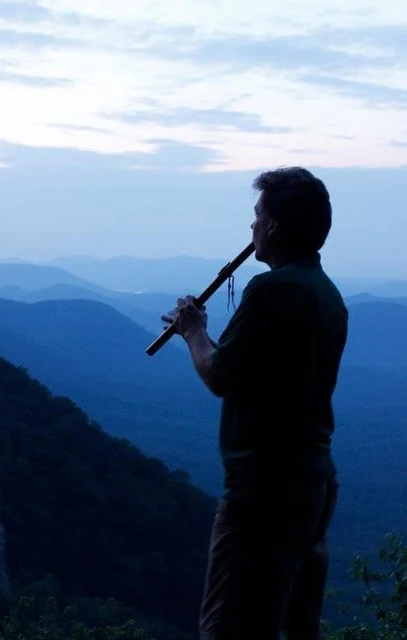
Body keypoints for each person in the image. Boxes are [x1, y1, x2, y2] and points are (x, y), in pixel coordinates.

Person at [161, 166, 349, 640]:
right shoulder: (326, 293)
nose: (251, 226)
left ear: (274, 226)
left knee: (231, 628)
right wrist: (199, 332)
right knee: (297, 626)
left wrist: (194, 331)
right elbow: (251, 370)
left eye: (257, 216)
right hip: (312, 483)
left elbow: (219, 376)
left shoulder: (272, 289)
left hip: (263, 490)